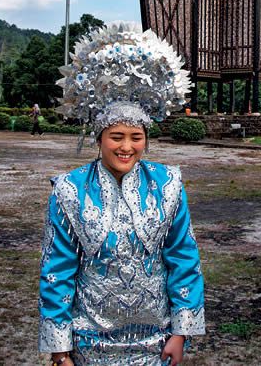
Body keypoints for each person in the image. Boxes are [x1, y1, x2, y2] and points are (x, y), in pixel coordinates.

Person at [39, 24, 204, 365]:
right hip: (88, 343)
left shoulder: (168, 185)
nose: (127, 147)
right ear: (98, 137)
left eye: (136, 136)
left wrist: (180, 332)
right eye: (116, 136)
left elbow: (183, 259)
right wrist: (59, 349)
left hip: (155, 340)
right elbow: (57, 270)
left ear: (146, 138)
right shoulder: (69, 191)